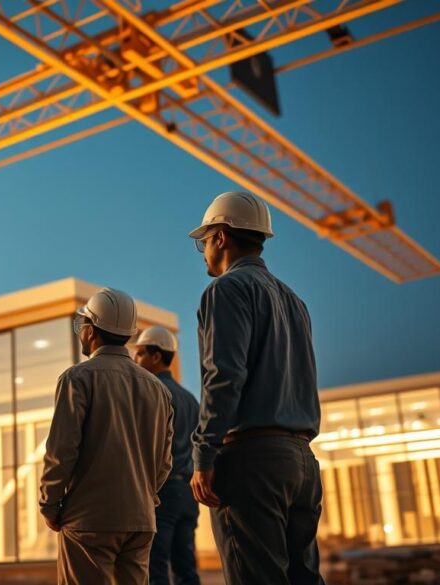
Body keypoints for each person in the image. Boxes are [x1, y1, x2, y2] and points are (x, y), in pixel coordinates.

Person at [186, 191, 324, 585]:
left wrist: (204, 454)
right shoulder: (295, 301)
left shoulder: (226, 290)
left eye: (203, 241)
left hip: (252, 461)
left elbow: (224, 377)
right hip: (302, 462)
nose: (203, 251)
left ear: (221, 236)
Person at [40, 287, 175, 585]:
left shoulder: (77, 378)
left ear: (91, 330)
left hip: (89, 519)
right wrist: (143, 495)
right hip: (140, 521)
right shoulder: (159, 390)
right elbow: (165, 461)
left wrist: (50, 504)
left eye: (82, 325)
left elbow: (62, 451)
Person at [134, 326, 201, 585]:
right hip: (188, 492)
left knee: (156, 566)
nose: (136, 360)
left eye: (140, 353)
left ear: (156, 356)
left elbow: (147, 445)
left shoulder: (152, 392)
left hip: (162, 491)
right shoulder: (190, 399)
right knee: (186, 567)